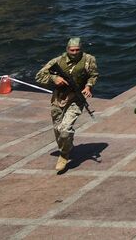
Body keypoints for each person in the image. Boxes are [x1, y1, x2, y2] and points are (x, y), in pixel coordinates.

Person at [35, 37, 97, 174]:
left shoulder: (88, 60)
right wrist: (54, 78)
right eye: (72, 50)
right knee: (58, 129)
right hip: (59, 98)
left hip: (76, 98)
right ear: (67, 49)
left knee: (65, 129)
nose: (75, 53)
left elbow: (93, 75)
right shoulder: (57, 61)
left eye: (77, 50)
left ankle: (64, 154)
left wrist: (88, 87)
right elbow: (39, 76)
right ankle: (66, 144)